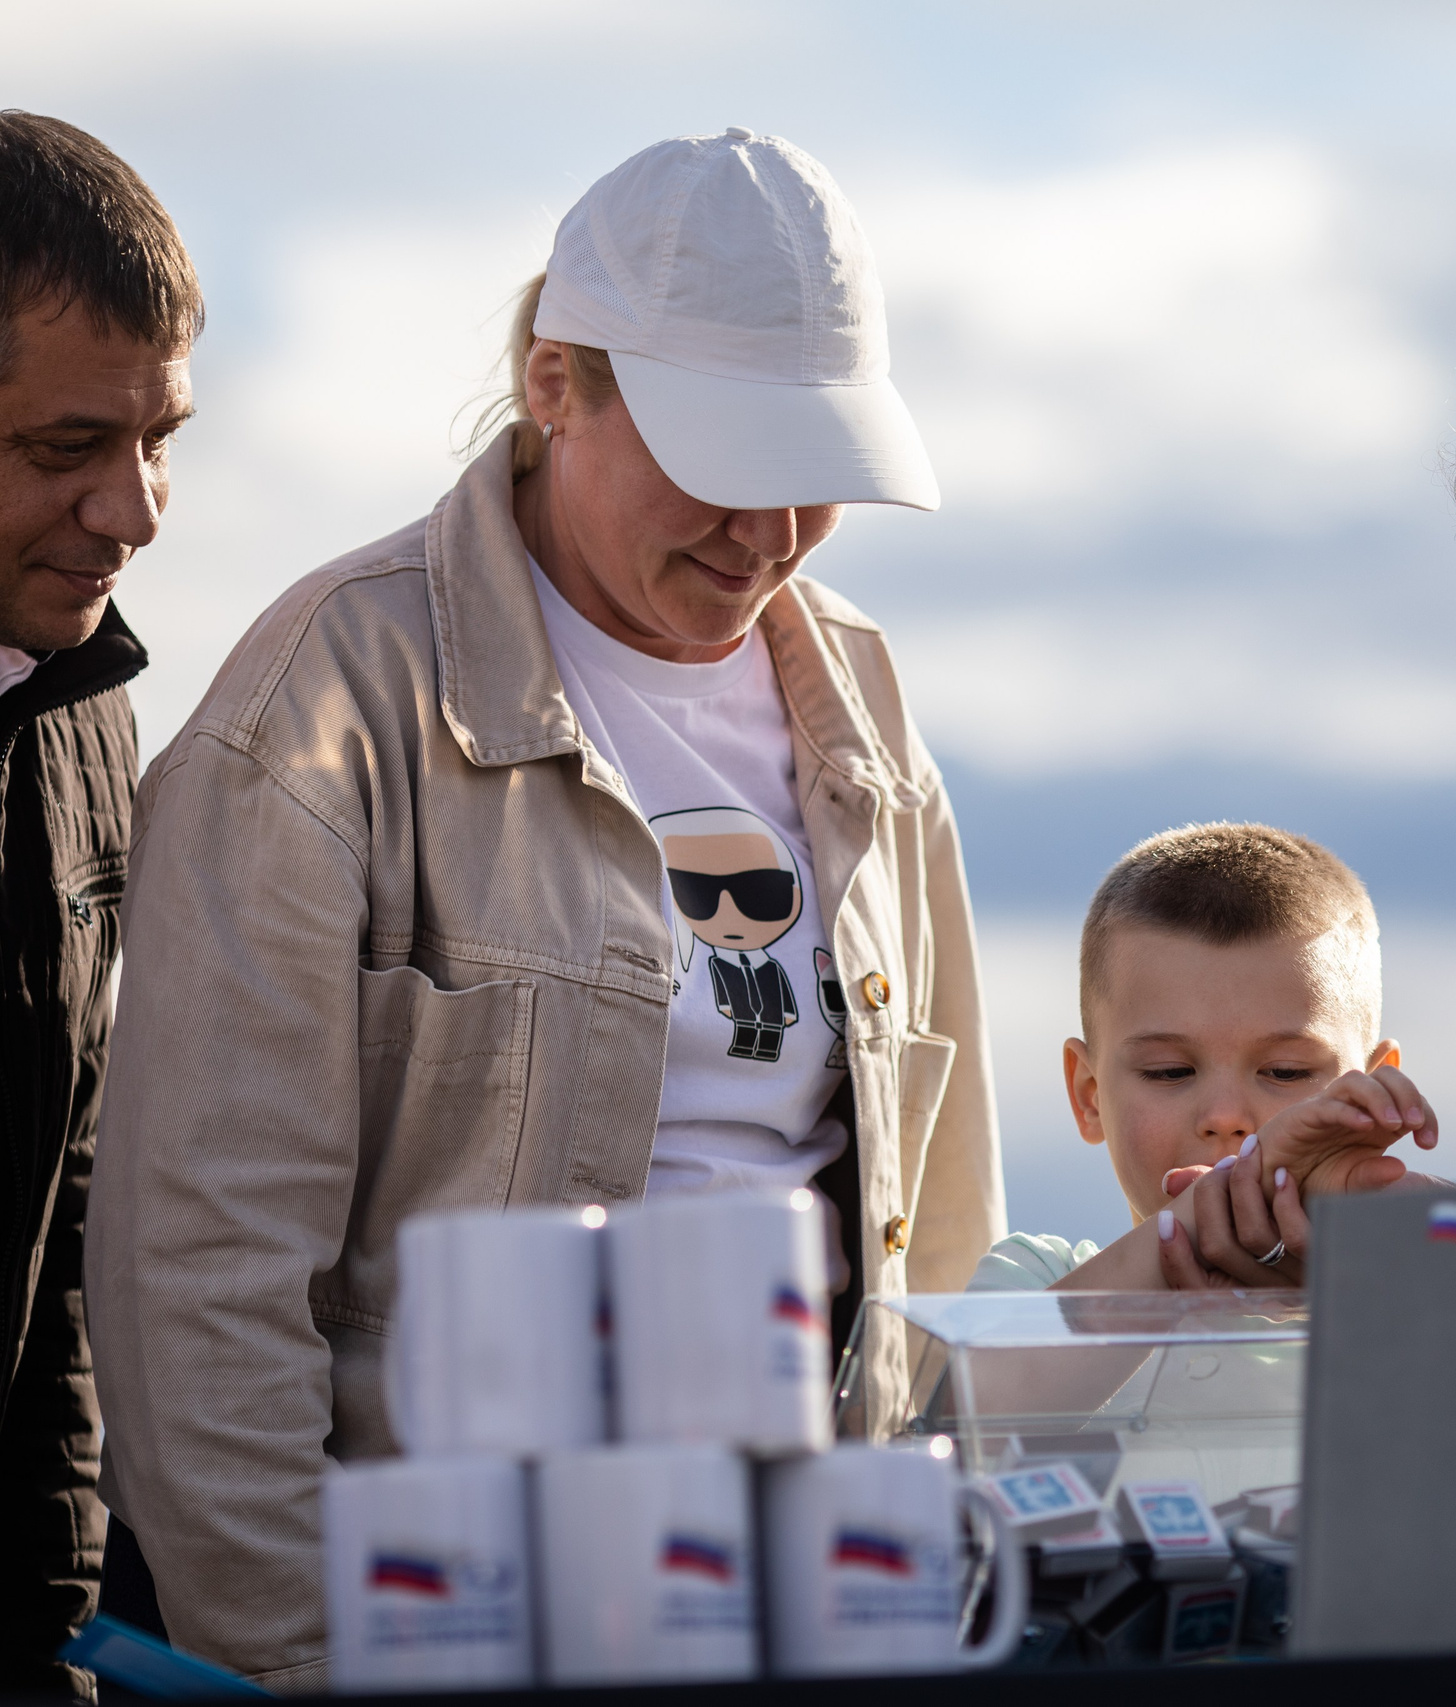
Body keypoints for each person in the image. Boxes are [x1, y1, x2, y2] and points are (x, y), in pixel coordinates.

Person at [86, 129, 999, 1687]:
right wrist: (309, 1663)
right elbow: (199, 1278)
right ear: (555, 383)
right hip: (453, 1627)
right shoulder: (319, 706)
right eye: (726, 463)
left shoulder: (859, 693)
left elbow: (943, 1209)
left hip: (818, 1606)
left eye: (818, 475)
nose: (769, 534)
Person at [0, 111, 196, 1697]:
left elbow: (66, 1200)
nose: (133, 511)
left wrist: (55, 1625)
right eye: (68, 449)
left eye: (160, 441)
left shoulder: (87, 713)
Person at [969, 822, 1436, 1294]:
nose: (1224, 1117)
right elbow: (1009, 1348)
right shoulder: (1032, 1280)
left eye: (1285, 1072)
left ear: (1374, 1093)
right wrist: (1191, 1225)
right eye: (1169, 1072)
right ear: (1090, 1096)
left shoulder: (1406, 1292)